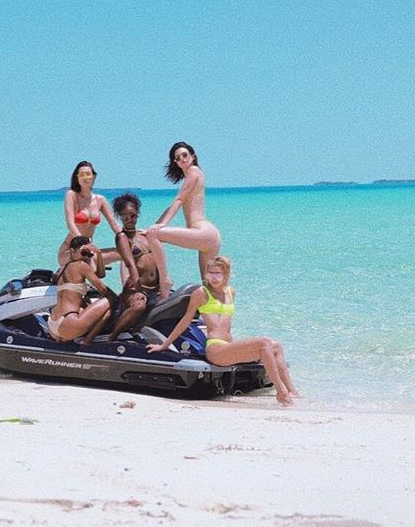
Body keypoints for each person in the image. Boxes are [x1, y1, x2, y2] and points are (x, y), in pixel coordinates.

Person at [146, 256, 299, 407]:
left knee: (276, 346)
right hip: (215, 350)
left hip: (228, 347)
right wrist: (165, 345)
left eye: (218, 273)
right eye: (210, 273)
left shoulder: (230, 292)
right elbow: (185, 320)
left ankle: (292, 391)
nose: (213, 278)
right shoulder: (201, 293)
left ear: (226, 275)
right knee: (264, 342)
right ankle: (281, 392)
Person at [146, 142, 221, 297]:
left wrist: (159, 227)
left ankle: (165, 281)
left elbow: (179, 200)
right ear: (176, 163)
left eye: (185, 155)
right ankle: (220, 310)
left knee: (153, 235)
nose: (182, 159)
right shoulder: (195, 174)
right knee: (210, 288)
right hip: (209, 237)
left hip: (203, 232)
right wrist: (157, 224)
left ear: (193, 156)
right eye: (178, 158)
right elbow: (174, 204)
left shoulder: (193, 171)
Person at [106, 192, 162, 341]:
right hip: (136, 288)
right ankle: (113, 337)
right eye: (125, 216)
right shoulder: (122, 237)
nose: (129, 219)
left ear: (137, 214)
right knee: (139, 307)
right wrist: (138, 291)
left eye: (133, 215)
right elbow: (130, 264)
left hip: (155, 288)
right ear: (120, 216)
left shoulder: (144, 235)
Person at [48, 236, 115, 345]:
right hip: (68, 323)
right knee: (112, 299)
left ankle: (66, 339)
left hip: (53, 323)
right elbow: (103, 289)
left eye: (89, 254)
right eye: (84, 252)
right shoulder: (81, 266)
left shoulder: (63, 268)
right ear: (72, 251)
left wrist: (98, 254)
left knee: (86, 305)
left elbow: (100, 274)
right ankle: (88, 339)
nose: (86, 257)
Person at [57, 161, 121, 266]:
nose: (85, 178)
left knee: (126, 252)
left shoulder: (100, 200)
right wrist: (84, 243)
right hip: (70, 250)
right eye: (81, 175)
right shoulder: (71, 195)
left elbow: (114, 224)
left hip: (88, 250)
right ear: (77, 177)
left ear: (94, 177)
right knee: (88, 257)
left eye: (88, 174)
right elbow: (70, 224)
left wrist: (129, 238)